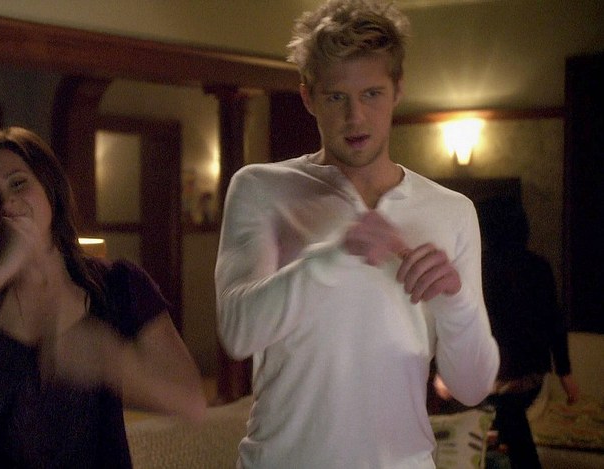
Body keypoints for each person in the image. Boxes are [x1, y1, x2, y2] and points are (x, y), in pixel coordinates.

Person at [214, 1, 499, 467]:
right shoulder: (260, 188)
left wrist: (455, 301)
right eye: (336, 97)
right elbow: (239, 331)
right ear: (308, 97)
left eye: (371, 94)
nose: (356, 117)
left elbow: (472, 387)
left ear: (397, 90)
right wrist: (333, 256)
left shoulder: (451, 211)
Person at [0, 127, 206, 468]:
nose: (5, 203)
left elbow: (191, 400)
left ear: (48, 187)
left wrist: (110, 360)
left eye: (18, 183)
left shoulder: (119, 284)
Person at [477, 196, 579, 469]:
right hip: (521, 372)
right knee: (508, 420)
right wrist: (565, 373)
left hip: (504, 374)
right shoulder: (537, 266)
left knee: (505, 416)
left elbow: (552, 321)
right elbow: (554, 322)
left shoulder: (480, 267)